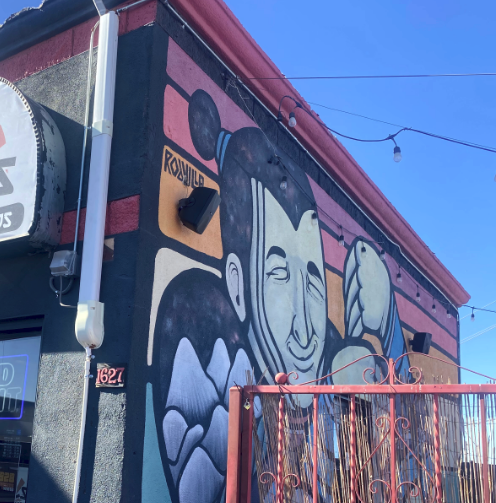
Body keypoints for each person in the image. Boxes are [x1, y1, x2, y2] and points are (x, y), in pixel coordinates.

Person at [152, 91, 408, 503]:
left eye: (313, 282)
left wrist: (384, 336)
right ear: (237, 286)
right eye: (278, 274)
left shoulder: (336, 369)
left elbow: (399, 448)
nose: (305, 330)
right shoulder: (210, 366)